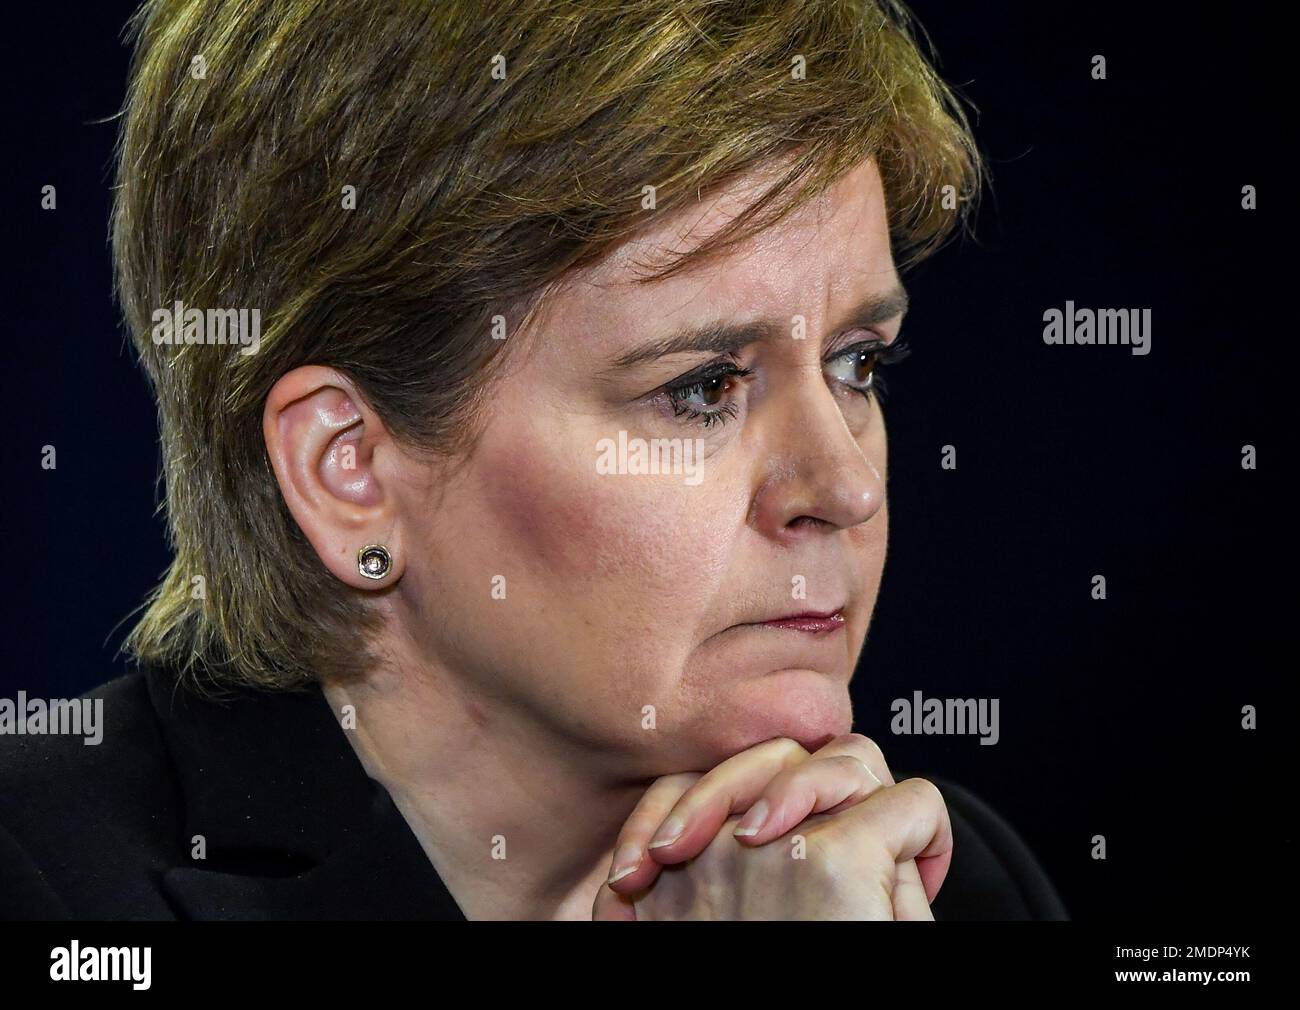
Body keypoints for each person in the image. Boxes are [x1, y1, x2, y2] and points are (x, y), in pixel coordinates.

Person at [0, 0, 1066, 920]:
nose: (846, 487)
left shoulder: (938, 879)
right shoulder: (44, 883)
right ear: (350, 472)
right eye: (702, 387)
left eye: (857, 363)